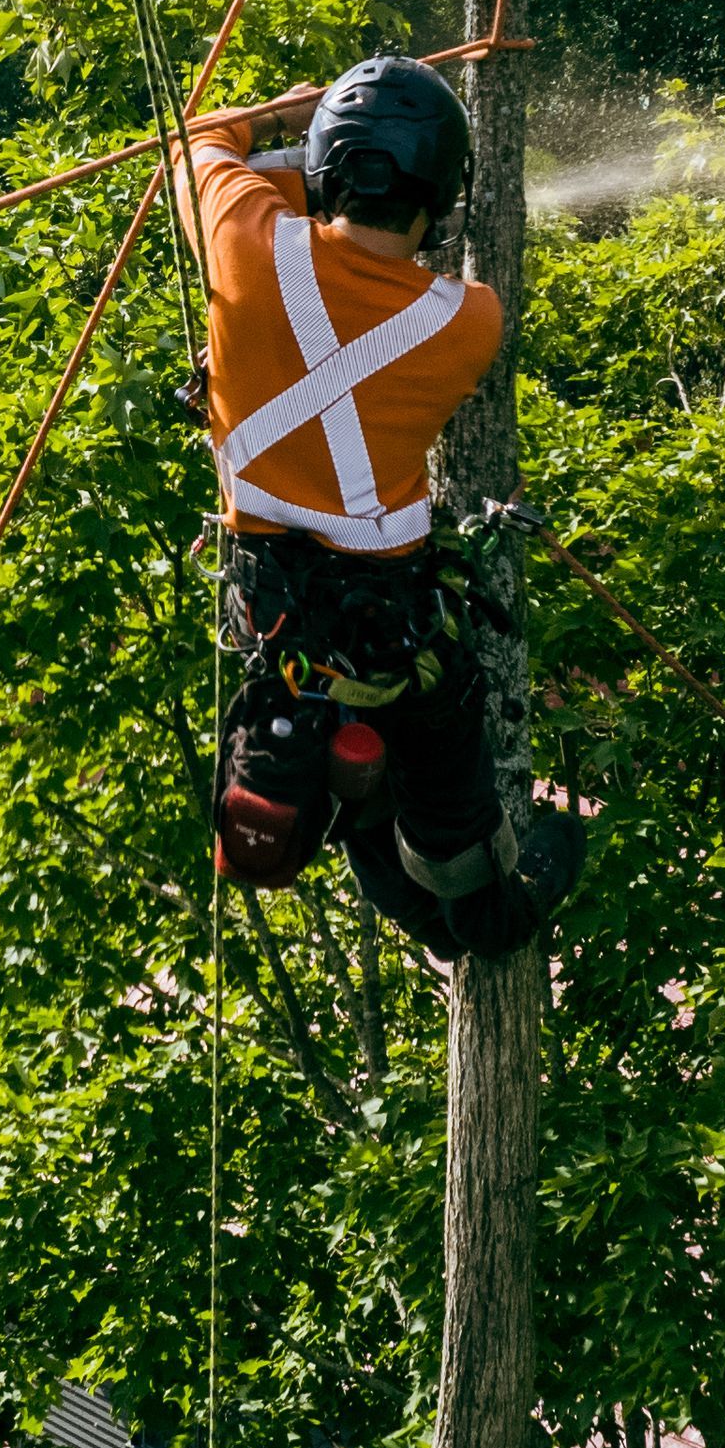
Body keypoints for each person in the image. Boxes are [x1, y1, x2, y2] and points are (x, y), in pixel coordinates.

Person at [177, 53, 581, 959]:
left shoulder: (244, 240)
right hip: (400, 632)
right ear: (440, 196)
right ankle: (492, 909)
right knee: (462, 857)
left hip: (282, 627)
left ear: (326, 172)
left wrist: (291, 123)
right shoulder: (465, 320)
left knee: (363, 817)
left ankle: (426, 906)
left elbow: (203, 141)